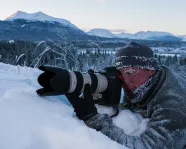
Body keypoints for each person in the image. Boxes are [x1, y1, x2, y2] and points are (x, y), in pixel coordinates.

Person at [65, 42, 186, 149]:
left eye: (130, 73)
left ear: (151, 70)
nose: (126, 81)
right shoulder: (143, 84)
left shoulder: (172, 104)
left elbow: (143, 146)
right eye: (122, 75)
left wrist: (93, 118)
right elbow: (129, 109)